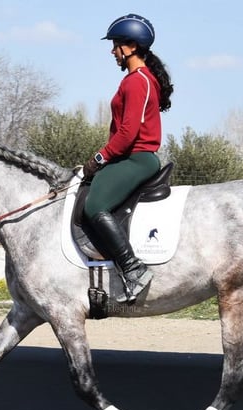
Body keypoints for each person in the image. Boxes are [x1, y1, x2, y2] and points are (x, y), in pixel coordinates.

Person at [82, 13, 174, 304]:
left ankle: (133, 269)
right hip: (128, 157)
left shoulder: (137, 81)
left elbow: (128, 132)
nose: (113, 52)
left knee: (95, 204)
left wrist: (99, 158)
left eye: (116, 45)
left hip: (138, 159)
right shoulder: (137, 80)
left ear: (132, 46)